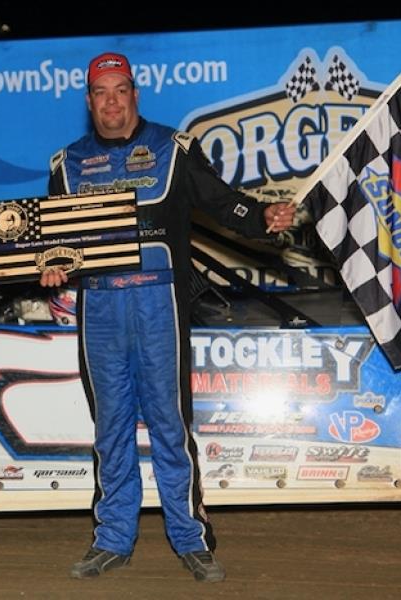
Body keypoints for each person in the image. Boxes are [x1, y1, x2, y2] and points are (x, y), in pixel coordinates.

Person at [41, 52, 295, 583]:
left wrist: (263, 217)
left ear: (135, 95)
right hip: (100, 310)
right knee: (109, 429)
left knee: (170, 425)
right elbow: (54, 243)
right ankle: (112, 538)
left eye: (120, 90)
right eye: (101, 93)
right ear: (89, 102)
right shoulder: (66, 164)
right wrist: (51, 266)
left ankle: (190, 538)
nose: (112, 102)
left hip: (159, 307)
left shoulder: (172, 148)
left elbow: (224, 203)